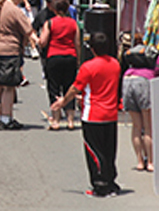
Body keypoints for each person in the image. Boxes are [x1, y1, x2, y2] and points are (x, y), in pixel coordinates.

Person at [53, 32, 122, 198]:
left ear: (92, 49)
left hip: (93, 115)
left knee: (94, 151)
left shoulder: (88, 67)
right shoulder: (115, 64)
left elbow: (75, 88)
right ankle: (111, 182)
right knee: (108, 151)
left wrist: (63, 102)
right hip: (111, 114)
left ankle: (100, 185)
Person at [0, 0, 33, 130]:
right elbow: (28, 29)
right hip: (9, 49)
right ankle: (5, 118)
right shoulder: (14, 10)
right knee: (8, 86)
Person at [120, 42, 159, 172]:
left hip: (127, 79)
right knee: (148, 127)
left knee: (136, 126)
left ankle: (140, 161)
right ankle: (151, 162)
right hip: (143, 82)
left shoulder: (134, 64)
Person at [39, 0, 79, 130]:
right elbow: (77, 43)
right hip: (70, 57)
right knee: (70, 88)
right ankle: (70, 120)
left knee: (54, 87)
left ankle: (56, 120)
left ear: (55, 9)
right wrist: (78, 59)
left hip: (54, 57)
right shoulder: (73, 23)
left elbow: (43, 42)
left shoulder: (50, 23)